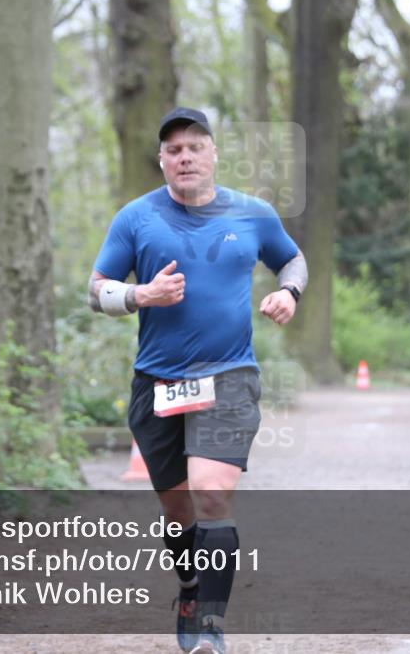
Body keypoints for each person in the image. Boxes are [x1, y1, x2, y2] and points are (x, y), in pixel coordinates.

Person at [88, 107, 307, 654]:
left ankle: (209, 625)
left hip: (229, 376)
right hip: (156, 384)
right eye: (173, 149)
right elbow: (96, 290)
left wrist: (290, 292)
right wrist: (140, 295)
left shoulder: (253, 214)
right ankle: (190, 585)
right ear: (161, 161)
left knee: (212, 494)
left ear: (213, 155)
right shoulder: (136, 218)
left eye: (194, 146)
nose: (184, 156)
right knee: (179, 511)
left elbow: (293, 259)